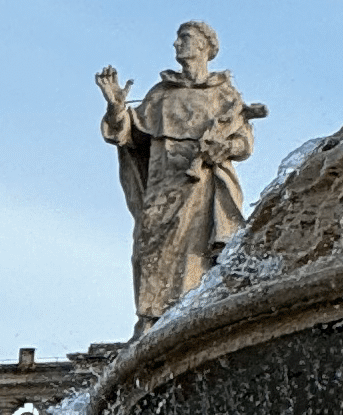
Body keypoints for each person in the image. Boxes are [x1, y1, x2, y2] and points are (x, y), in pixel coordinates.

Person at [98, 22, 264, 326]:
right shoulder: (161, 94)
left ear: (205, 46)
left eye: (184, 38)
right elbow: (128, 136)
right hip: (163, 184)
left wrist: (223, 147)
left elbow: (244, 142)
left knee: (197, 253)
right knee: (148, 250)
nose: (176, 44)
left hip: (201, 184)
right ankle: (150, 320)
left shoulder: (223, 95)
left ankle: (193, 314)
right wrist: (115, 109)